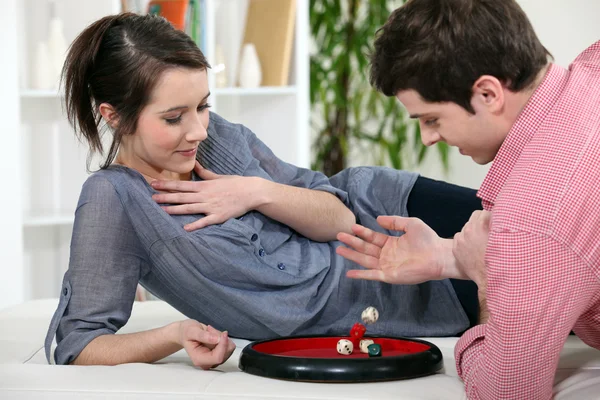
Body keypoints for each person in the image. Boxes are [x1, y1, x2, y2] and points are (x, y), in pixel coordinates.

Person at [44, 12, 484, 369]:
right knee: (538, 286)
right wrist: (173, 335)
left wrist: (254, 191)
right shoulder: (114, 199)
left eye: (203, 106)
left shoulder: (220, 138)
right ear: (115, 116)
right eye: (174, 117)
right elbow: (78, 344)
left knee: (537, 226)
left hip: (392, 207)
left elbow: (340, 215)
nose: (198, 129)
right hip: (381, 289)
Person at [336, 0, 600, 399]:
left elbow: (506, 392)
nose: (428, 138)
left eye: (432, 119)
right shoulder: (592, 64)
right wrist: (451, 258)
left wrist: (487, 278)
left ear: (489, 93)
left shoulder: (530, 222)